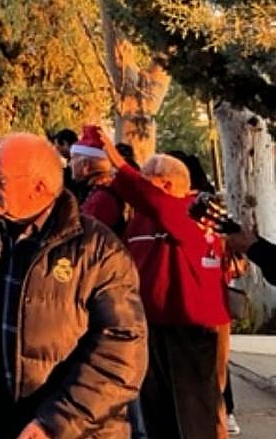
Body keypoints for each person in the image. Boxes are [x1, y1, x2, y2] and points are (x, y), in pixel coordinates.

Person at [0, 132, 147, 439]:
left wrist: (55, 422)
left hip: (78, 430)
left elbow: (121, 349)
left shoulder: (98, 250)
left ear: (39, 187)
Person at [103, 139, 232, 439]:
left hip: (189, 329)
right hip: (151, 327)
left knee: (191, 416)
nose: (141, 191)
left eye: (146, 183)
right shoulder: (142, 220)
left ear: (168, 185)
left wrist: (121, 165)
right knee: (156, 413)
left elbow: (157, 204)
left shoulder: (193, 212)